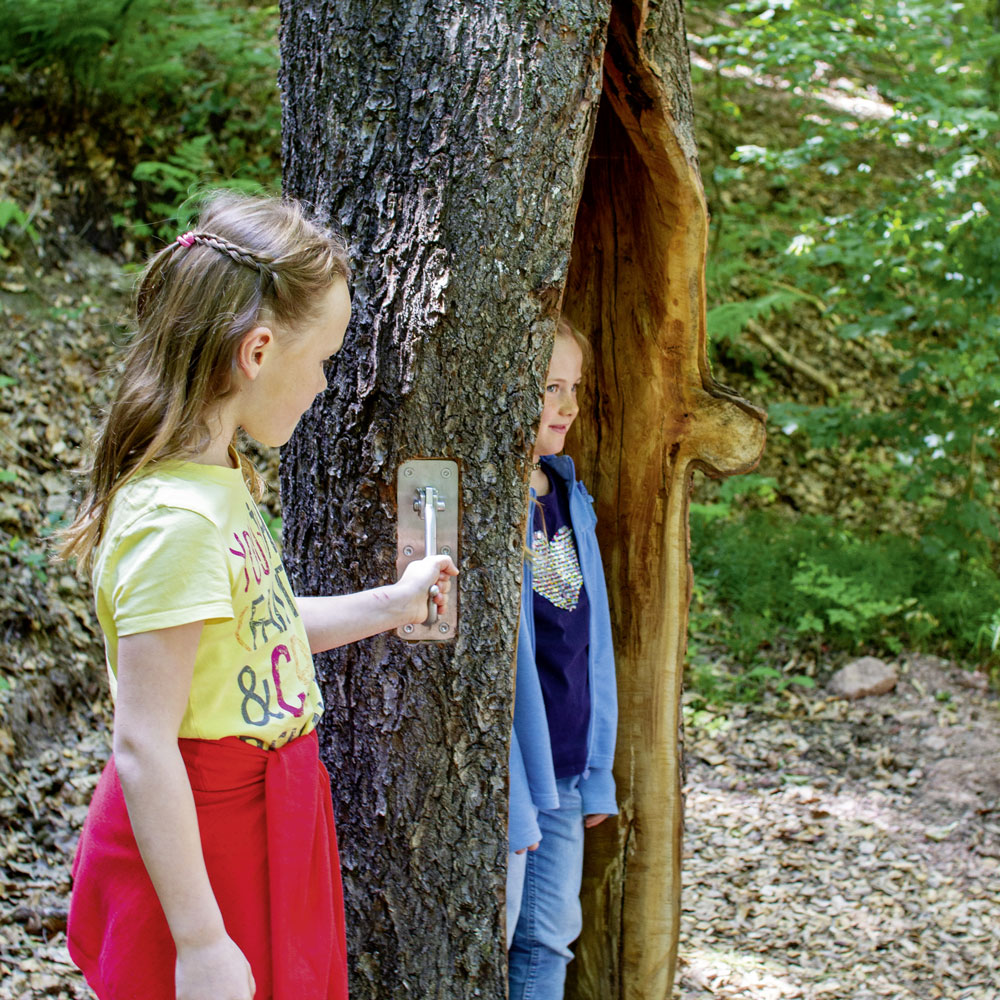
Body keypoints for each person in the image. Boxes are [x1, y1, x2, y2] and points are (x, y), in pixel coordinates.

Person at [58, 191, 457, 1000]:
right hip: (209, 839)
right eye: (321, 360)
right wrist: (202, 941)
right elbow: (144, 743)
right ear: (259, 350)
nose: (321, 385)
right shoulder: (174, 520)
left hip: (268, 819)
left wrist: (393, 604)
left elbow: (255, 633)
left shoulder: (218, 484)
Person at [506, 318, 618, 999]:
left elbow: (591, 647)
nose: (569, 407)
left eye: (573, 388)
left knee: (551, 939)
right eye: (552, 387)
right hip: (520, 774)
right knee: (496, 932)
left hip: (570, 772)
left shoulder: (566, 495)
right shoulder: (498, 501)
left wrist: (598, 774)